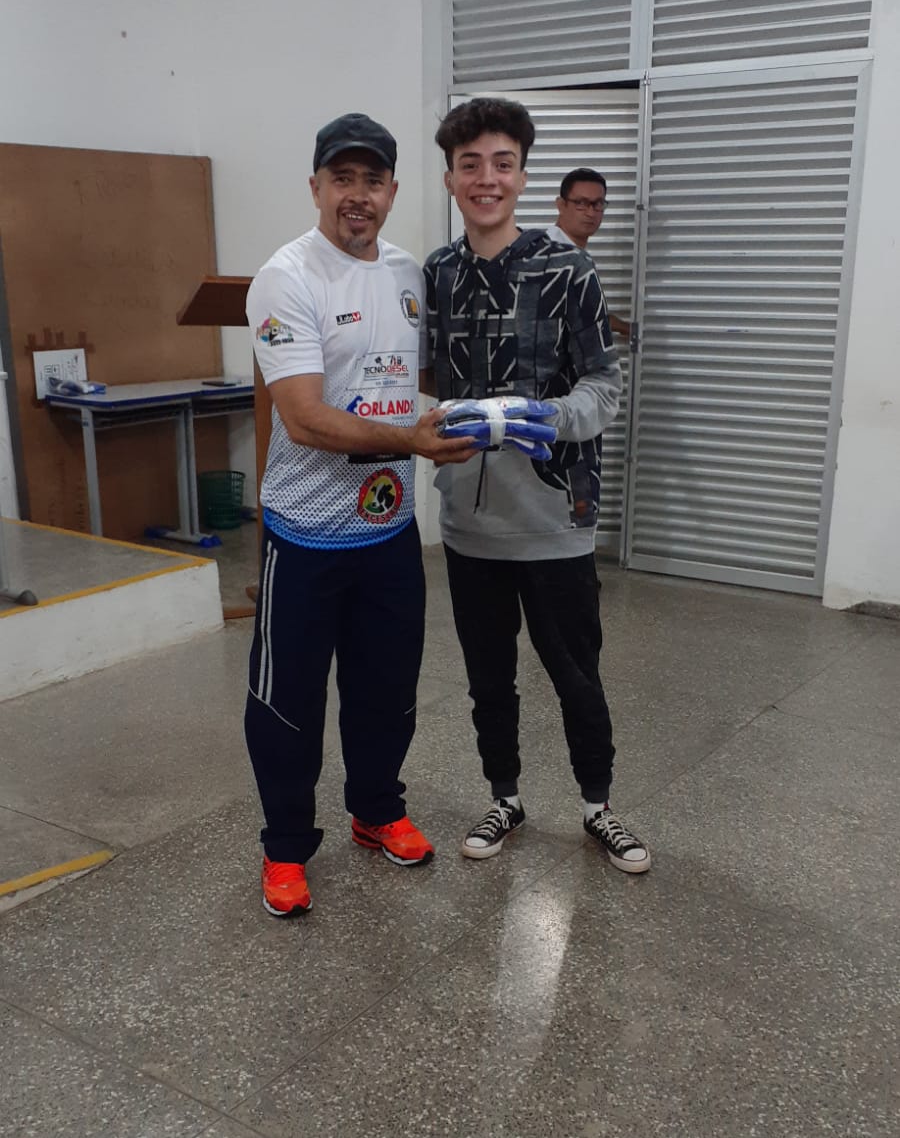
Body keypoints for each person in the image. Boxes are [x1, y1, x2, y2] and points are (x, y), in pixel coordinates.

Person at [245, 112, 475, 917]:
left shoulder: (409, 274)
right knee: (288, 702)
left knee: (386, 689)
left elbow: (414, 380)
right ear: (316, 186)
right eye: (341, 178)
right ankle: (285, 847)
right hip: (304, 535)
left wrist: (475, 410)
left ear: (393, 191)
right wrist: (411, 440)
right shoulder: (286, 277)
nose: (357, 195)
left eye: (372, 180)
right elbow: (304, 418)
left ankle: (376, 811)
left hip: (387, 533)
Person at [422, 97, 650, 874]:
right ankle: (505, 797)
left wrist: (547, 418)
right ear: (451, 178)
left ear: (522, 176)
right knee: (488, 678)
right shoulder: (438, 274)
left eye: (503, 163)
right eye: (470, 164)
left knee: (576, 675)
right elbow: (430, 381)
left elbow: (603, 387)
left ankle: (598, 807)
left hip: (555, 518)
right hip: (468, 526)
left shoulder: (567, 268)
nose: (486, 178)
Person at [548, 166, 632, 341]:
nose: (591, 212)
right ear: (561, 205)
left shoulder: (575, 254)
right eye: (581, 203)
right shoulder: (552, 255)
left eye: (598, 204)